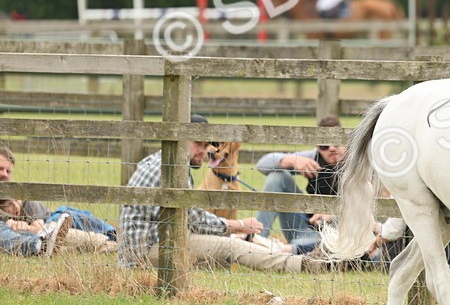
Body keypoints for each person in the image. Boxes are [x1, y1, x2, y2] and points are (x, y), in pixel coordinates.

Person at [117, 114, 328, 273]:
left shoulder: (163, 161)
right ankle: (304, 265)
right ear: (181, 141)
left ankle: (277, 250)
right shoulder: (170, 170)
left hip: (151, 245)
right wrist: (238, 225)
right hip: (145, 254)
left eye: (206, 145)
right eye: (198, 144)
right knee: (233, 246)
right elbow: (195, 220)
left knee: (222, 253)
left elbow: (187, 221)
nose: (205, 151)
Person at [254, 116, 400, 263]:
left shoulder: (361, 163)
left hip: (352, 233)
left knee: (364, 253)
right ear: (317, 147)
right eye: (324, 145)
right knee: (277, 177)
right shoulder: (312, 158)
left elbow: (376, 215)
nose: (331, 148)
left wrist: (334, 215)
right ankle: (255, 240)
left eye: (336, 142)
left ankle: (290, 250)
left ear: (346, 141)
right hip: (309, 231)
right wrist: (293, 160)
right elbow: (262, 164)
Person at [0, 146, 117, 251]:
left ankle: (114, 235)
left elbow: (37, 225)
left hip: (47, 219)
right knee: (64, 218)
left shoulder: (16, 195)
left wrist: (21, 224)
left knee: (66, 214)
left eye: (8, 171)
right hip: (44, 226)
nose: (5, 174)